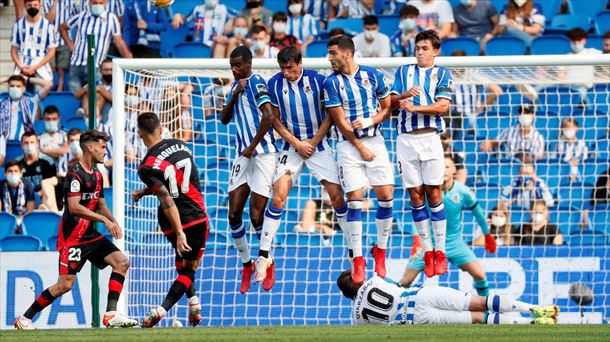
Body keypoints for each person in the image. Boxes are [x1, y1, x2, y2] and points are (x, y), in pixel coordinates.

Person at [14, 130, 136, 330]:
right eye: (103, 147)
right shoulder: (75, 175)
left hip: (90, 235)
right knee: (65, 285)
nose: (106, 151)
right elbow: (74, 207)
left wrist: (113, 221)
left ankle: (111, 314)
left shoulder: (97, 175)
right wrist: (104, 221)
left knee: (122, 262)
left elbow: (101, 204)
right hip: (73, 238)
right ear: (90, 147)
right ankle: (25, 319)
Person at [254, 46, 348, 291]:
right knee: (278, 195)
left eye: (291, 68)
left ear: (299, 63)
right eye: (283, 69)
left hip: (320, 144)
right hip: (290, 147)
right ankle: (264, 255)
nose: (287, 73)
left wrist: (314, 142)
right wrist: (297, 143)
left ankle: (353, 251)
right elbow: (274, 119)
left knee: (337, 197)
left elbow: (331, 115)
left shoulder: (319, 80)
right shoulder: (274, 84)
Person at [323, 35, 394, 284]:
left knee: (386, 198)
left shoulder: (372, 75)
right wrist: (359, 146)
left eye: (333, 53)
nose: (329, 58)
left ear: (347, 53)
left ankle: (381, 250)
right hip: (349, 147)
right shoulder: (331, 83)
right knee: (355, 200)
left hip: (375, 141)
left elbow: (387, 108)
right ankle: (359, 258)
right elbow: (340, 122)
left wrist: (371, 121)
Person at [131, 112, 209, 328]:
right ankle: (160, 311)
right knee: (189, 269)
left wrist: (144, 192)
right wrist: (181, 231)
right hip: (194, 218)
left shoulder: (146, 166)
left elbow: (165, 193)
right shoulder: (181, 145)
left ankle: (193, 303)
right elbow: (176, 181)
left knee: (181, 261)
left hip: (167, 219)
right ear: (161, 128)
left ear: (139, 133)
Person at [389, 30, 452, 278]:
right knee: (415, 197)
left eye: (425, 48)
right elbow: (391, 101)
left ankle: (441, 252)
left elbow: (443, 106)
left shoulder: (443, 74)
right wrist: (404, 97)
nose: (420, 51)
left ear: (435, 51)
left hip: (430, 139)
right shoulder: (403, 72)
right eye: (417, 47)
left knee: (434, 193)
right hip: (405, 141)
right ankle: (427, 252)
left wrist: (415, 107)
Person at [220, 46, 278, 294]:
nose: (234, 69)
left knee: (256, 216)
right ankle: (247, 265)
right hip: (241, 156)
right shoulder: (236, 86)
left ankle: (268, 260)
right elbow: (223, 118)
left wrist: (253, 146)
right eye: (232, 65)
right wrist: (235, 93)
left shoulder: (257, 83)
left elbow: (269, 118)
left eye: (238, 65)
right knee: (233, 214)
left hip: (262, 153)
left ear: (249, 63)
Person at [403, 155, 496, 296]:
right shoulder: (427, 191)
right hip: (429, 244)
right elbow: (416, 218)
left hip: (455, 242)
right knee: (405, 281)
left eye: (447, 166)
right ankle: (393, 312)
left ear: (454, 170)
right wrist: (417, 240)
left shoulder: (463, 191)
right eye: (440, 167)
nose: (444, 170)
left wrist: (487, 235)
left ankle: (487, 310)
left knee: (480, 276)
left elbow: (479, 214)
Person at [337, 271, 559, 325]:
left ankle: (532, 323)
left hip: (416, 318)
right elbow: (397, 285)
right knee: (480, 301)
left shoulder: (356, 318)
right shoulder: (374, 279)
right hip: (420, 295)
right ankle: (534, 308)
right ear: (356, 279)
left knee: (478, 318)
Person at [59, 0, 132, 93]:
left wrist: (129, 59)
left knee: (94, 97)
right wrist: (70, 45)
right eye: (95, 3)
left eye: (100, 3)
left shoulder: (111, 19)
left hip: (96, 66)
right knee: (75, 97)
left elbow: (119, 42)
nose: (98, 5)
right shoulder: (82, 16)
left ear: (105, 3)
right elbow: (62, 27)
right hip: (76, 64)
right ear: (89, 3)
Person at [449, 50, 503, 132]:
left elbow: (497, 91)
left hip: (474, 115)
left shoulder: (474, 73)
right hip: (454, 116)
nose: (457, 67)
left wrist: (482, 105)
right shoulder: (447, 75)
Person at [0, 74, 52, 149]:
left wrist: (27, 79)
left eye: (18, 86)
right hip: (3, 144)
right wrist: (7, 78)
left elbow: (49, 84)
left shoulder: (32, 100)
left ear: (24, 88)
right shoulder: (1, 101)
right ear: (8, 88)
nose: (15, 88)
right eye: (12, 86)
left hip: (25, 144)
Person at [11, 0, 57, 84]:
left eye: (35, 5)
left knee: (40, 91)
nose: (33, 7)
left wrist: (35, 67)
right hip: (22, 65)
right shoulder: (18, 25)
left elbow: (52, 52)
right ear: (25, 5)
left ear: (40, 5)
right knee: (16, 91)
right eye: (29, 5)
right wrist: (21, 66)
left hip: (40, 66)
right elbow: (13, 50)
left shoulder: (48, 26)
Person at [480, 105, 545, 163]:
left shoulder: (538, 137)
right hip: (509, 166)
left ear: (532, 115)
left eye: (527, 113)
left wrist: (528, 159)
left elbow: (539, 157)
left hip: (528, 168)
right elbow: (495, 142)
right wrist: (489, 143)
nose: (524, 115)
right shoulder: (510, 131)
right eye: (521, 113)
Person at [558, 28, 603, 102]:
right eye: (573, 40)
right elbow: (561, 78)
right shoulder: (564, 58)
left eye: (578, 40)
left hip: (589, 91)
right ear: (569, 41)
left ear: (584, 40)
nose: (576, 43)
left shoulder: (592, 53)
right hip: (570, 92)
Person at [16, 131, 58, 211]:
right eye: (26, 143)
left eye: (32, 142)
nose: (29, 145)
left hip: (43, 197)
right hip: (24, 198)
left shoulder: (48, 162)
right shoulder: (17, 163)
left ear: (37, 144)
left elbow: (50, 185)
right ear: (21, 145)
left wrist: (37, 195)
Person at [43, 0, 79, 91]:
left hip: (64, 39)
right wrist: (55, 2)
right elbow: (49, 19)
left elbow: (77, 20)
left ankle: (60, 86)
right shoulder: (47, 2)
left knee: (61, 67)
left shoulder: (71, 2)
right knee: (51, 67)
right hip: (50, 40)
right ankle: (50, 86)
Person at [0, 160, 36, 229]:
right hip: (5, 221)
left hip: (24, 221)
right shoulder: (0, 186)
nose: (13, 174)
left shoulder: (28, 185)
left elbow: (30, 211)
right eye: (10, 171)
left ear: (21, 174)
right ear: (5, 174)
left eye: (16, 171)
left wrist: (19, 221)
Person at [551, 118, 589, 182]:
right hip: (561, 172)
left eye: (570, 127)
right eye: (565, 127)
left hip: (576, 173)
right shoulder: (558, 144)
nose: (567, 130)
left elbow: (584, 161)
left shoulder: (582, 145)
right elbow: (553, 160)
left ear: (576, 128)